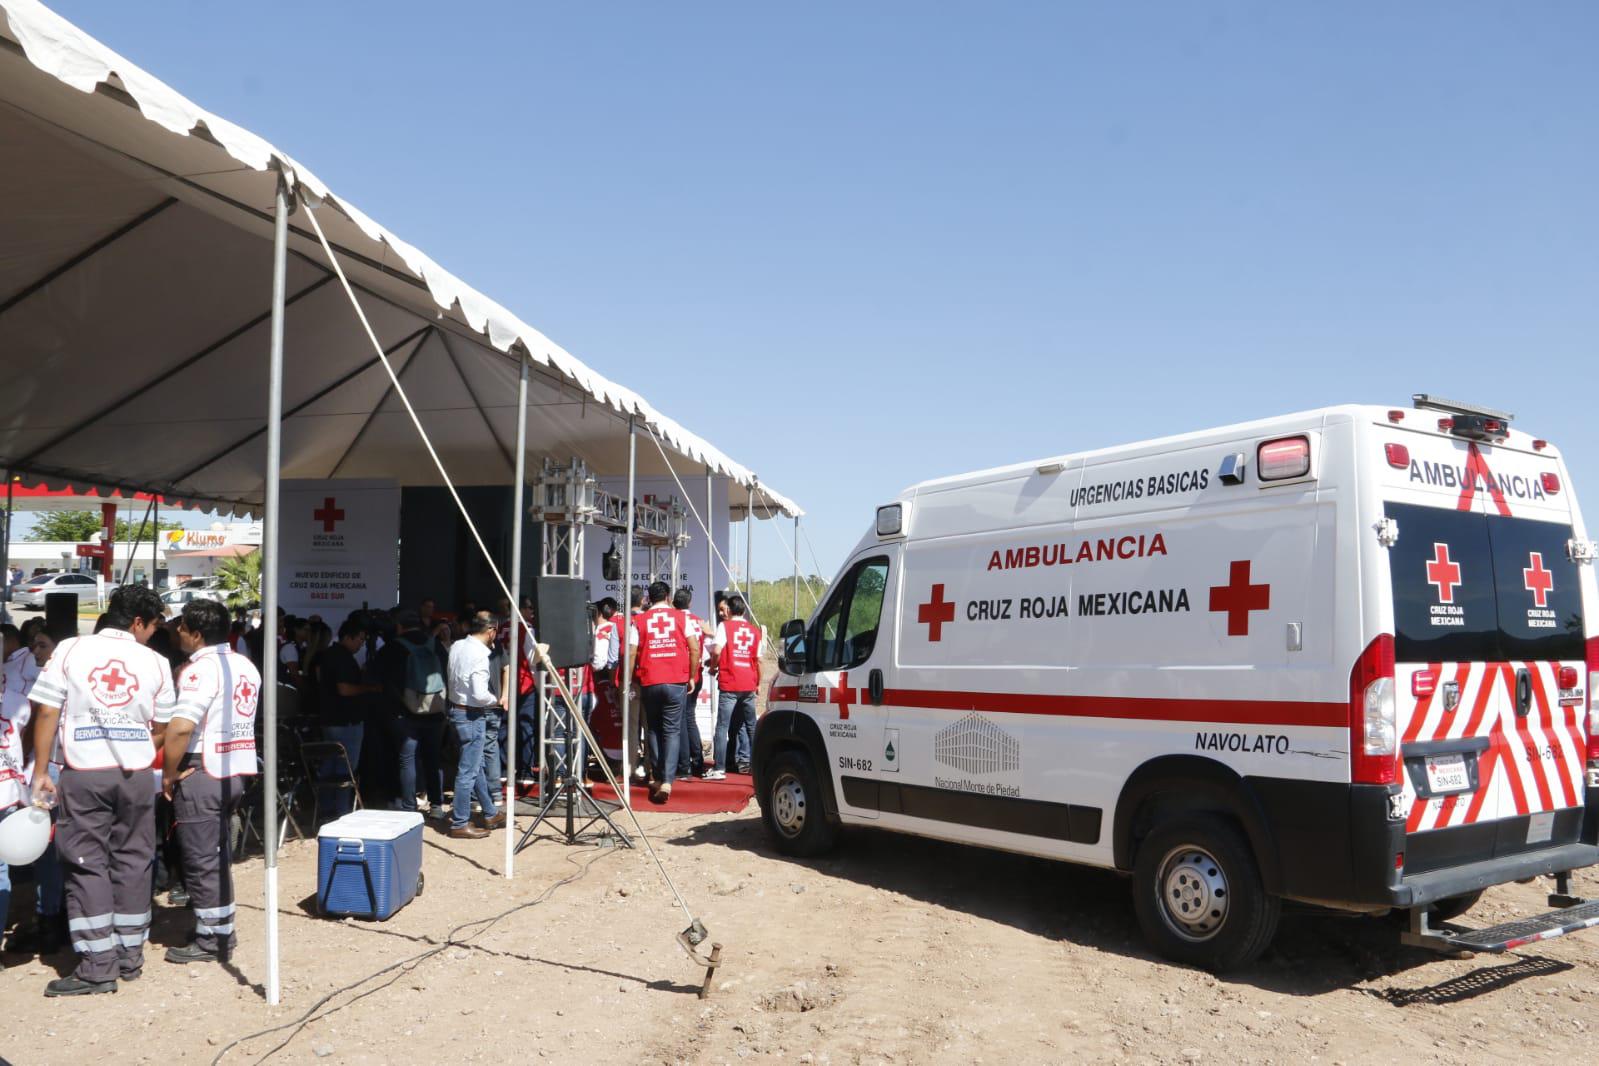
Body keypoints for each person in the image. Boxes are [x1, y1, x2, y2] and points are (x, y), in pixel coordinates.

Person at [28, 585, 176, 996]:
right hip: (136, 777)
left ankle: (97, 965)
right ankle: (129, 954)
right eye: (152, 626)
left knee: (86, 861)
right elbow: (163, 728)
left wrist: (41, 771)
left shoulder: (72, 649)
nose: (152, 634)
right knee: (133, 859)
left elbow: (46, 710)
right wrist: (139, 748)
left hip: (85, 772)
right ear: (136, 623)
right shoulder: (158, 662)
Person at [159, 599, 260, 964]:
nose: (177, 632)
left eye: (182, 627)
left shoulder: (200, 670)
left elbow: (182, 726)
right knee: (217, 857)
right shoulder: (244, 664)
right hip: (235, 769)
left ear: (197, 633)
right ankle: (217, 928)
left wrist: (169, 773)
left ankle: (212, 940)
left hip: (202, 769)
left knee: (201, 859)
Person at [628, 581, 700, 804]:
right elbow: (695, 648)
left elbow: (631, 653)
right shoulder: (682, 618)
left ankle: (659, 777)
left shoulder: (639, 620)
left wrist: (630, 680)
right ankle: (668, 780)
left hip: (650, 681)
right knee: (672, 730)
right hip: (676, 681)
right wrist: (691, 675)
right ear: (668, 597)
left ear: (648, 599)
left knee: (653, 730)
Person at [378, 610, 447, 818]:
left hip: (405, 712)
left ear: (400, 626)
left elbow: (381, 678)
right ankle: (436, 806)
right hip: (434, 710)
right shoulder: (434, 644)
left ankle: (409, 807)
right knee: (433, 759)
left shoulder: (393, 647)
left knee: (407, 760)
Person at [316, 617, 379, 819]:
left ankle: (327, 810)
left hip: (331, 718)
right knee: (346, 770)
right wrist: (370, 688)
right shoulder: (341, 657)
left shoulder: (329, 655)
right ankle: (342, 812)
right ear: (348, 637)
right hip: (345, 721)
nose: (361, 644)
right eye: (359, 639)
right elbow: (344, 689)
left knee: (330, 767)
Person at [445, 614, 501, 839]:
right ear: (492, 631)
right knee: (468, 771)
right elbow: (479, 694)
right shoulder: (480, 655)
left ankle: (490, 812)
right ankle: (460, 822)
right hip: (471, 713)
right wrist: (494, 700)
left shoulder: (457, 645)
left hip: (456, 709)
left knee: (473, 765)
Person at [709, 594, 766, 778]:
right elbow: (759, 661)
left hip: (730, 682)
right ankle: (759, 766)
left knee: (722, 726)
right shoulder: (754, 631)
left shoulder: (724, 626)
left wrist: (712, 667)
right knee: (751, 726)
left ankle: (719, 768)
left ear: (730, 610)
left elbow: (717, 650)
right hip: (748, 683)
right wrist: (758, 683)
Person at [672, 588, 708, 779]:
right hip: (697, 675)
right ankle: (697, 760)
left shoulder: (673, 619)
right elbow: (710, 648)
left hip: (680, 676)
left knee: (682, 720)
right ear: (690, 603)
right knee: (689, 717)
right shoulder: (698, 621)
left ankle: (684, 764)